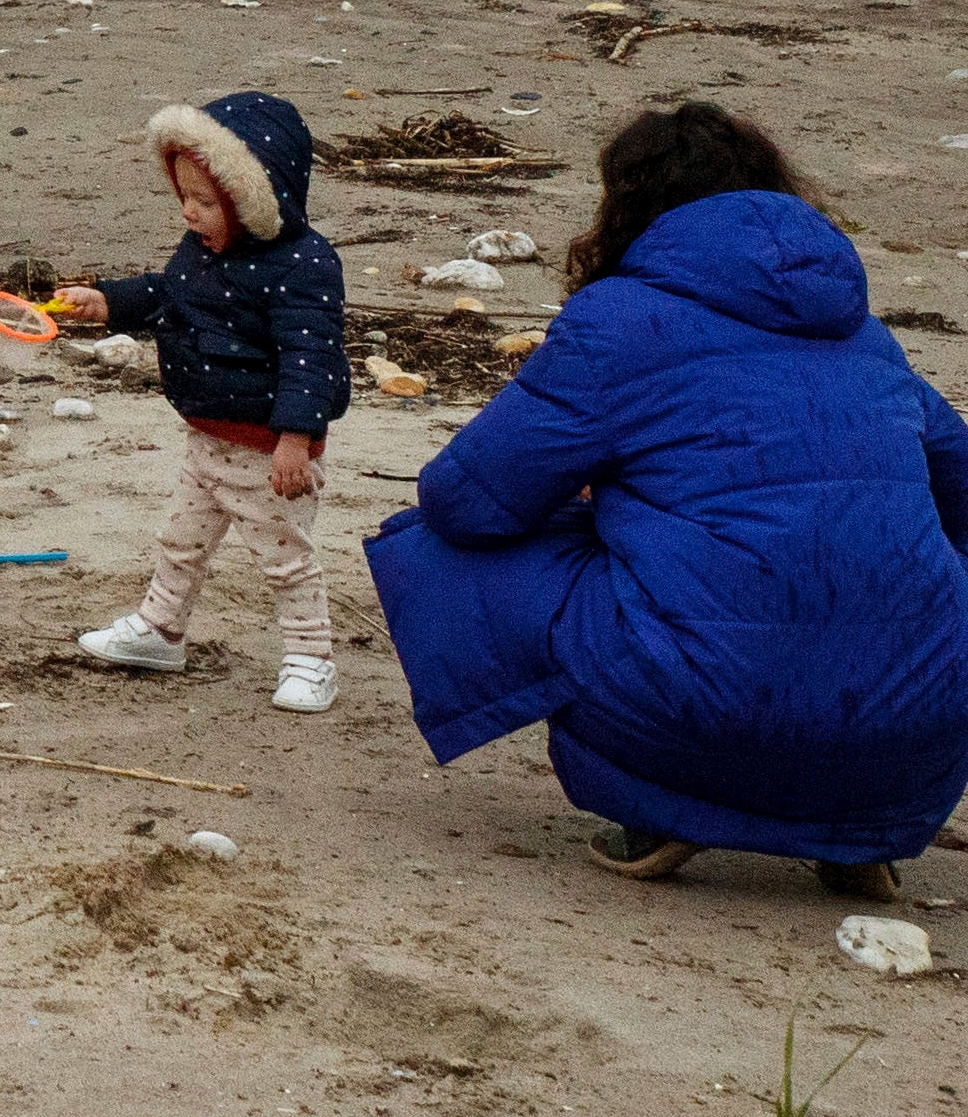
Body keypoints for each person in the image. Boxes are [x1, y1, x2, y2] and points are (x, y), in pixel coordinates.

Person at [369, 99, 968, 897]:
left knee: (432, 545)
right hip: (916, 727)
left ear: (630, 209)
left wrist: (599, 498)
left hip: (703, 712)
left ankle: (664, 806)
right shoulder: (865, 336)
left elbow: (464, 499)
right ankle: (855, 828)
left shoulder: (617, 321)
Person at [59, 92, 354, 713]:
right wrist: (109, 301)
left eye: (206, 202)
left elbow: (312, 360)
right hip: (206, 433)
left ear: (253, 200)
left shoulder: (302, 265)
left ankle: (310, 657)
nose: (189, 213)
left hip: (268, 448)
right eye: (182, 197)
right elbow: (167, 293)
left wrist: (296, 440)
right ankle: (161, 629)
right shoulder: (201, 251)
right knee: (180, 539)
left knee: (284, 558)